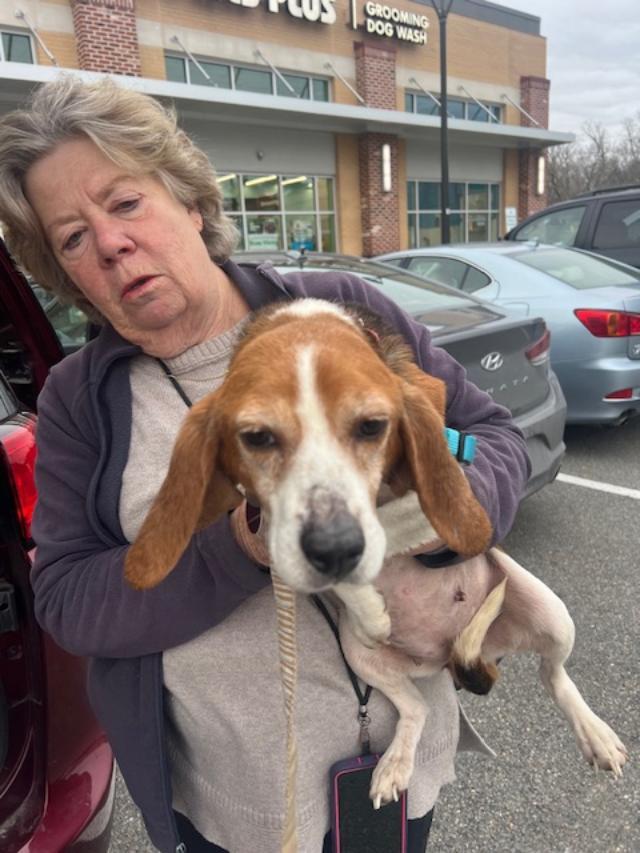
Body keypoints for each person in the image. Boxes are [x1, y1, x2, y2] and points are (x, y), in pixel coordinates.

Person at [0, 76, 530, 853]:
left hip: (395, 764)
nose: (110, 243)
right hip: (229, 808)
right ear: (62, 269)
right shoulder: (82, 398)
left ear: (188, 201)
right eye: (72, 237)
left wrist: (434, 519)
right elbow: (70, 601)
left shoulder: (345, 312)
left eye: (124, 202)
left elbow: (496, 438)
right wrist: (239, 549)